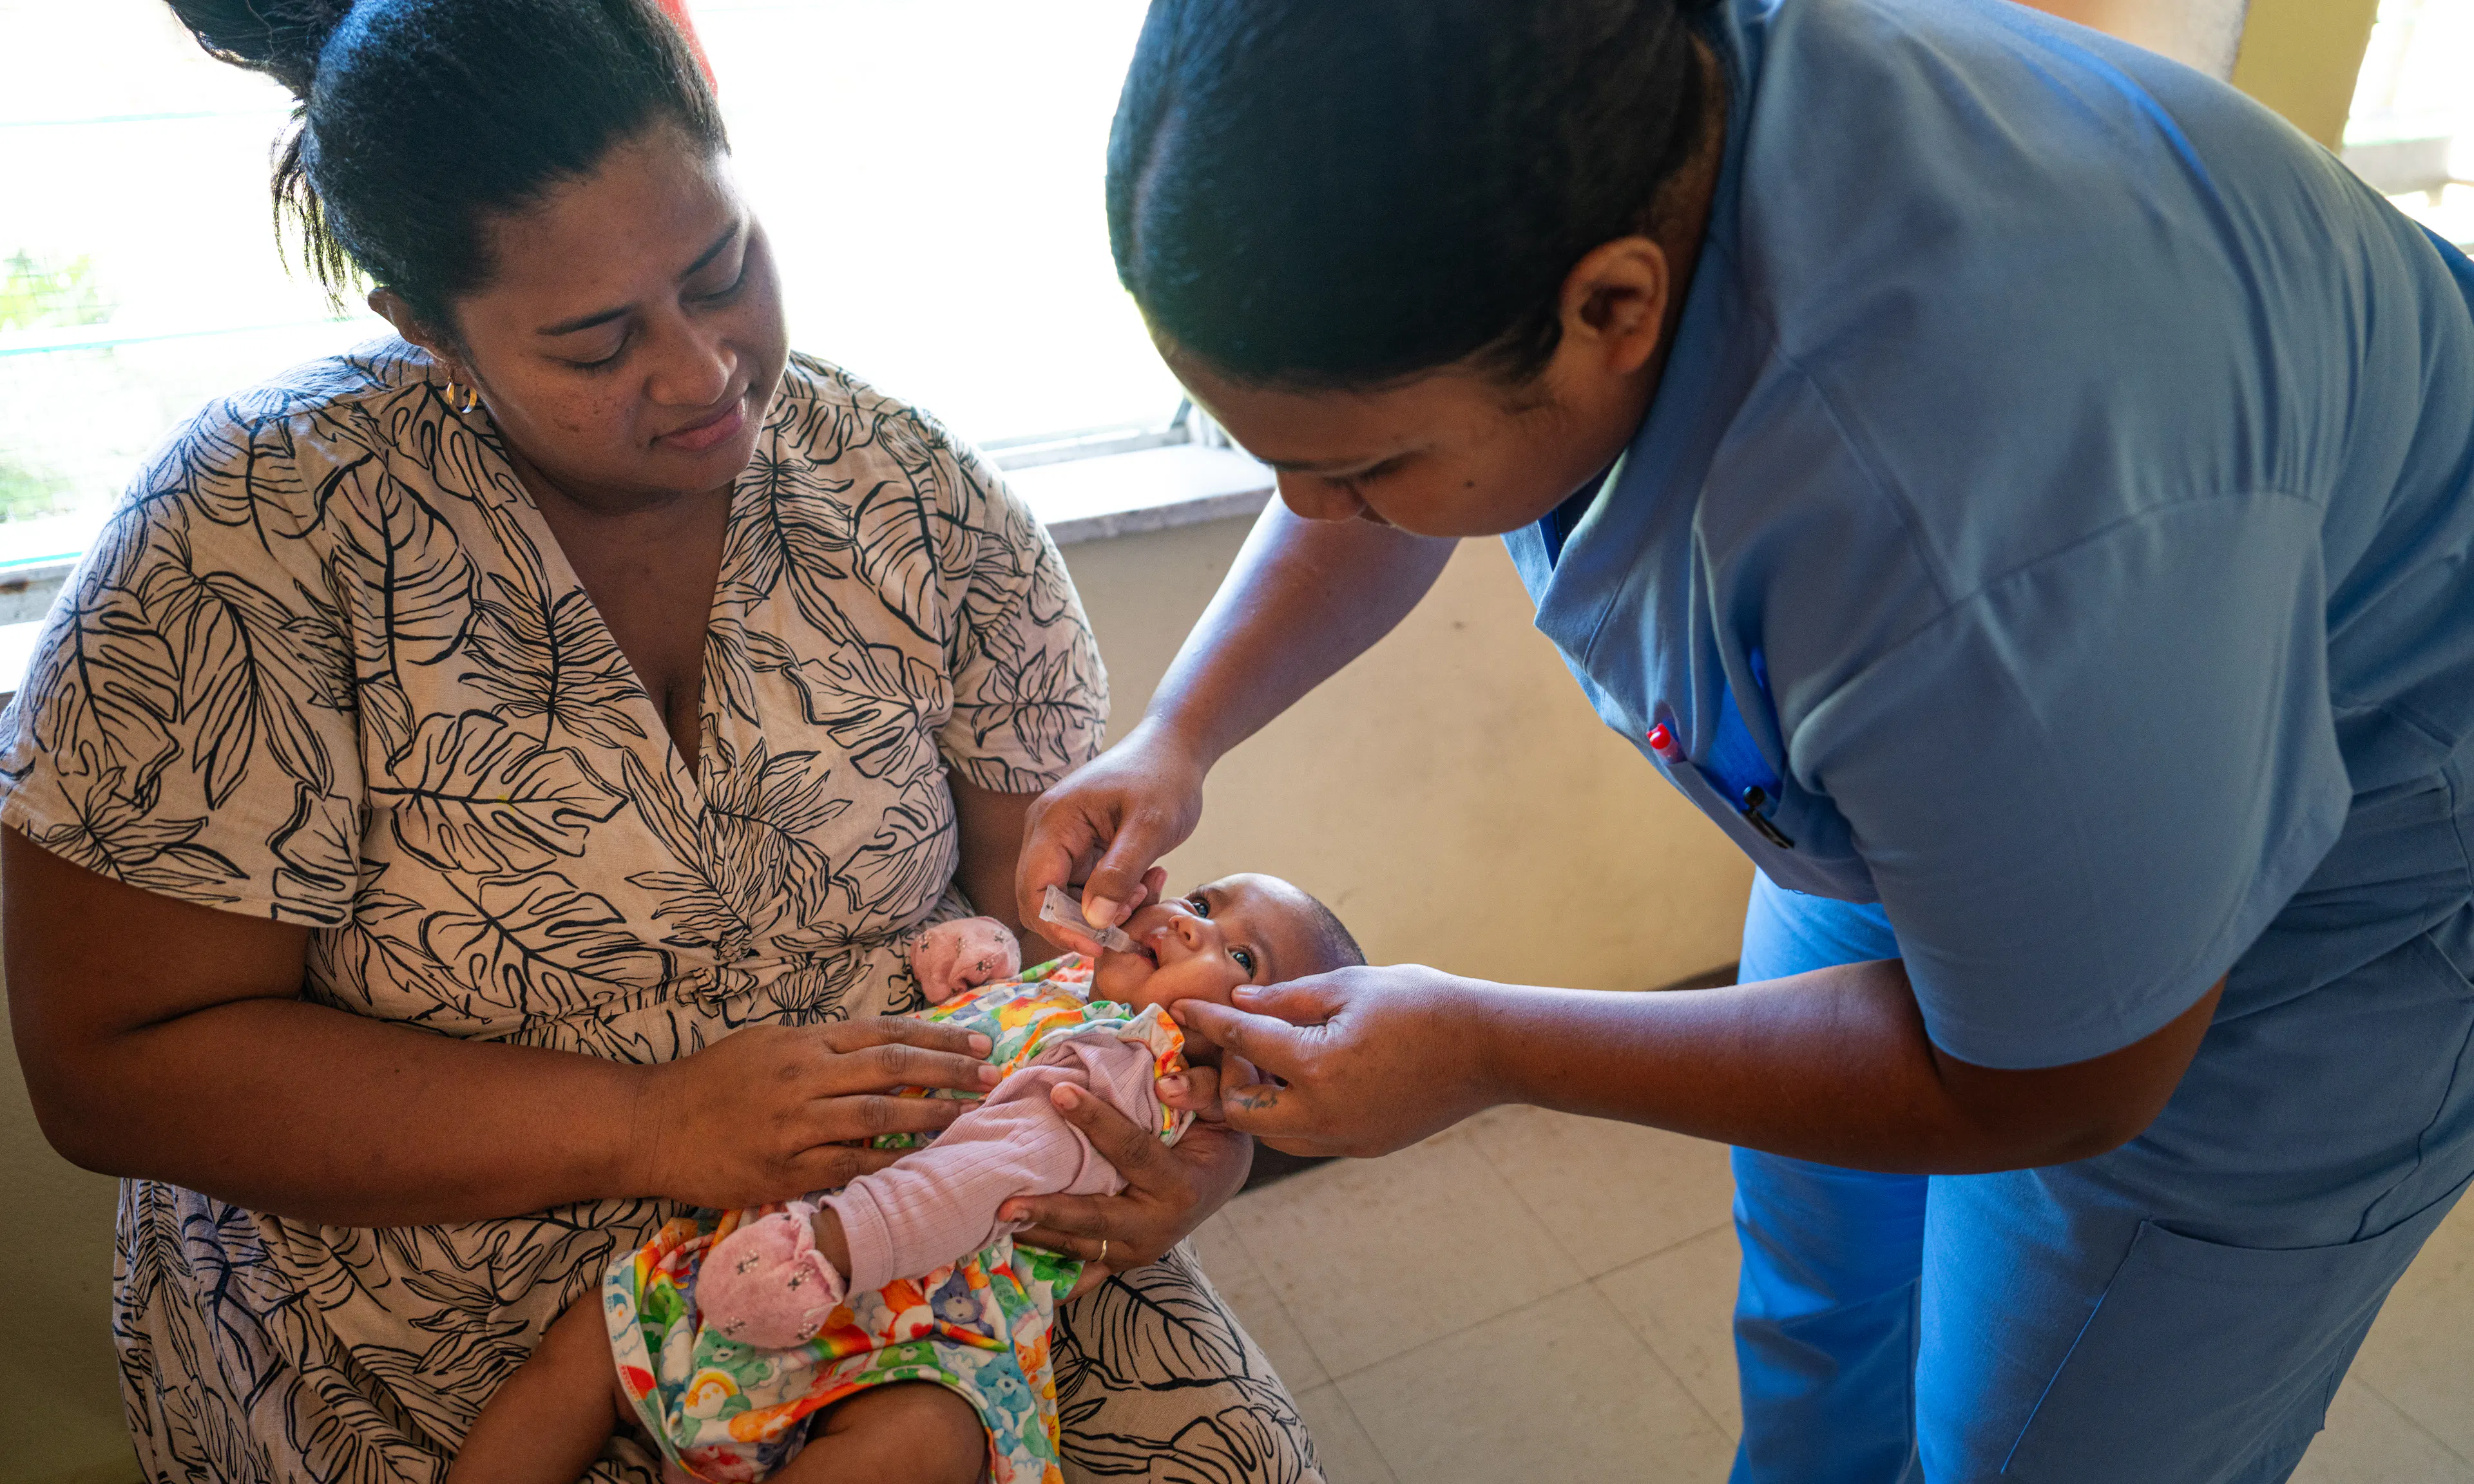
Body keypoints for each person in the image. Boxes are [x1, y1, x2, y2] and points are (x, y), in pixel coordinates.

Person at [1016, 0, 2474, 1479]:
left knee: (2036, 1444)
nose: (1322, 509)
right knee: (1819, 1320)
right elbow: (1393, 439)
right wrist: (1178, 733)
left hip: (2334, 902)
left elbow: (2067, 1079)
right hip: (1970, 748)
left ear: (1613, 311)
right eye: (1288, 468)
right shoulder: (1587, 140)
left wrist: (1489, 1045)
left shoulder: (1974, 536)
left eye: (1365, 470)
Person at [0, 2, 1321, 1479]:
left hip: (936, 1232)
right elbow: (112, 1069)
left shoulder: (912, 498)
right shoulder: (251, 542)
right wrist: (647, 1122)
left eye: (723, 271)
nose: (704, 374)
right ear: (425, 326)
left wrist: (1193, 1153)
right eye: (596, 340)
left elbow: (1078, 936)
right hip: (434, 1285)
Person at [451, 875, 1363, 1484]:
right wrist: (977, 974)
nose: (1186, 923)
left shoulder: (1123, 1072)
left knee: (920, 1441)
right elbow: (982, 1042)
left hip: (906, 1309)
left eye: (1240, 957)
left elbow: (980, 1174)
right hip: (798, 1244)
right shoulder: (1085, 990)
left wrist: (835, 1249)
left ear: (1252, 1046)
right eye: (1206, 900)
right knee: (579, 1347)